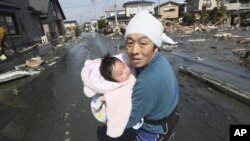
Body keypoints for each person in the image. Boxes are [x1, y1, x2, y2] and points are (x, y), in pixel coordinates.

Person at [124, 11, 180, 141]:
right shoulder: (160, 60)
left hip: (152, 133)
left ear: (156, 46)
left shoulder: (147, 83)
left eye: (143, 43)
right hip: (169, 117)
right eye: (130, 43)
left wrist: (103, 110)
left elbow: (126, 122)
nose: (134, 51)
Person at [81, 53, 137, 138]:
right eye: (121, 73)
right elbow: (117, 111)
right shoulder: (117, 92)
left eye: (124, 66)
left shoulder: (124, 65)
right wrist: (115, 129)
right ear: (113, 81)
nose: (126, 71)